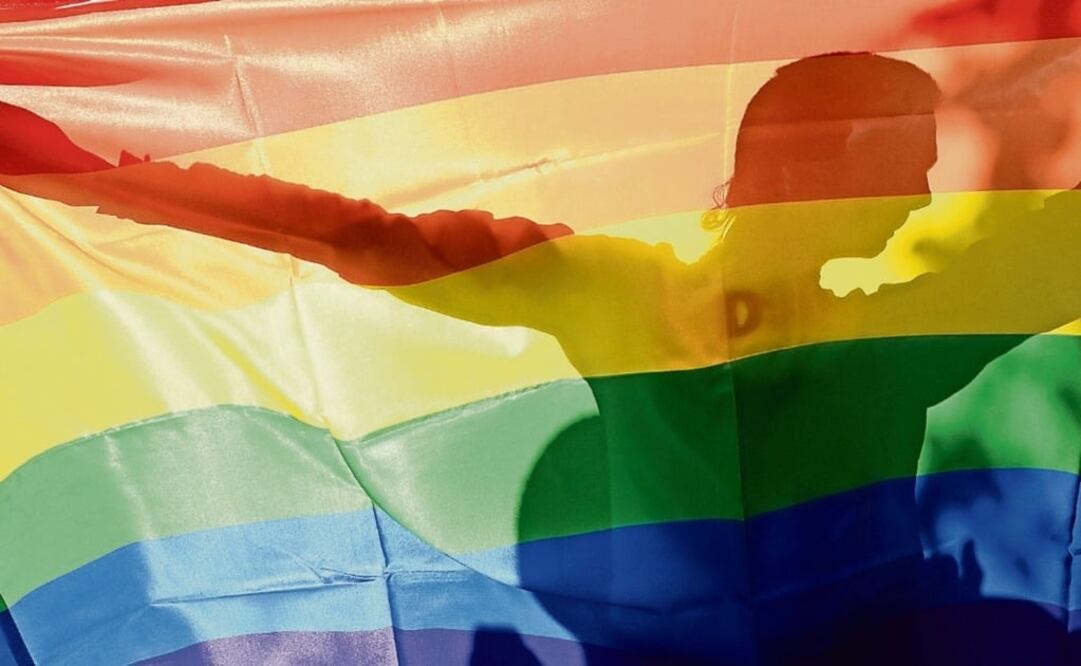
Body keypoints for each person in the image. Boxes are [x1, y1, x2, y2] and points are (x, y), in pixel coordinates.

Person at [4, 51, 1081, 662]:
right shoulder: (636, 296)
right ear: (834, 157)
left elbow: (1058, 244)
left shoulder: (884, 329)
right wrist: (98, 177)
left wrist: (94, 177)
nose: (923, 195)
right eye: (908, 159)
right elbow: (367, 237)